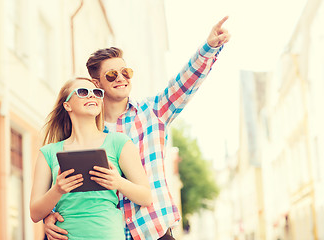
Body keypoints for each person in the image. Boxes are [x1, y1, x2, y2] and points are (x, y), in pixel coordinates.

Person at [43, 16, 230, 240]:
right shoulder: (84, 127)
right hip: (111, 233)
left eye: (126, 72)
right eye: (111, 74)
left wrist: (209, 47)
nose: (121, 78)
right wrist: (50, 214)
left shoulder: (153, 112)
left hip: (153, 230)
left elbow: (184, 83)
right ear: (96, 84)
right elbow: (61, 181)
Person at [30, 78, 152, 240]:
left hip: (107, 234)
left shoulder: (118, 142)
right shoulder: (48, 153)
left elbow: (146, 197)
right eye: (82, 92)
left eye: (96, 93)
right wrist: (57, 190)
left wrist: (118, 182)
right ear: (67, 105)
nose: (92, 96)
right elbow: (35, 213)